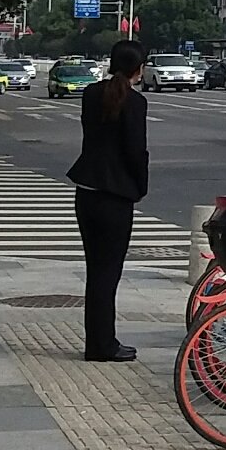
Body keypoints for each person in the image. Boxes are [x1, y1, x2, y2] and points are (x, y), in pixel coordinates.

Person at [66, 40, 148, 363]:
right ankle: (103, 345)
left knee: (95, 270)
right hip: (116, 197)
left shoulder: (90, 95)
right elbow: (135, 152)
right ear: (138, 69)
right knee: (108, 272)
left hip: (86, 192)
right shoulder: (136, 103)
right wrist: (139, 187)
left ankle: (98, 341)